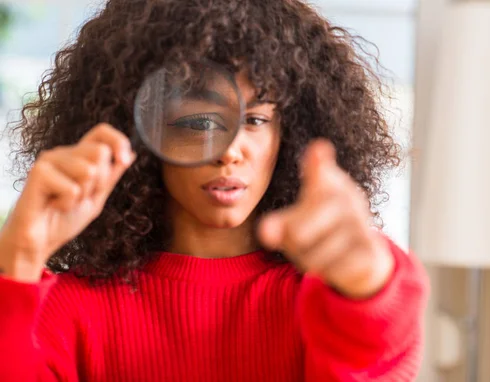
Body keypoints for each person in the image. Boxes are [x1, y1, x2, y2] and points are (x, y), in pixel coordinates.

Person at [0, 0, 428, 381]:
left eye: (256, 120)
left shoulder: (324, 302)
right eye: (198, 121)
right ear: (140, 132)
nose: (229, 152)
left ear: (291, 133)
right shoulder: (68, 312)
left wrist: (369, 284)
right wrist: (16, 261)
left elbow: (371, 355)